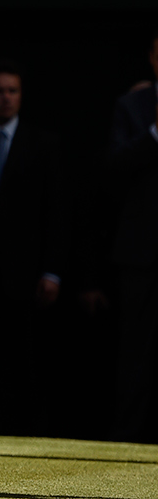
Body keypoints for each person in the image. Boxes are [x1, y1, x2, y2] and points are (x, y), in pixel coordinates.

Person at [0, 62, 63, 435]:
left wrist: (52, 270)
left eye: (12, 91)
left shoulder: (43, 144)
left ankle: (23, 426)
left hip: (22, 265)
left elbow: (58, 213)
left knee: (21, 349)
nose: (5, 98)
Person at [106, 30, 158, 442]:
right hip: (141, 251)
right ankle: (129, 436)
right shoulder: (132, 106)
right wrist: (154, 134)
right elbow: (114, 168)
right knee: (136, 352)